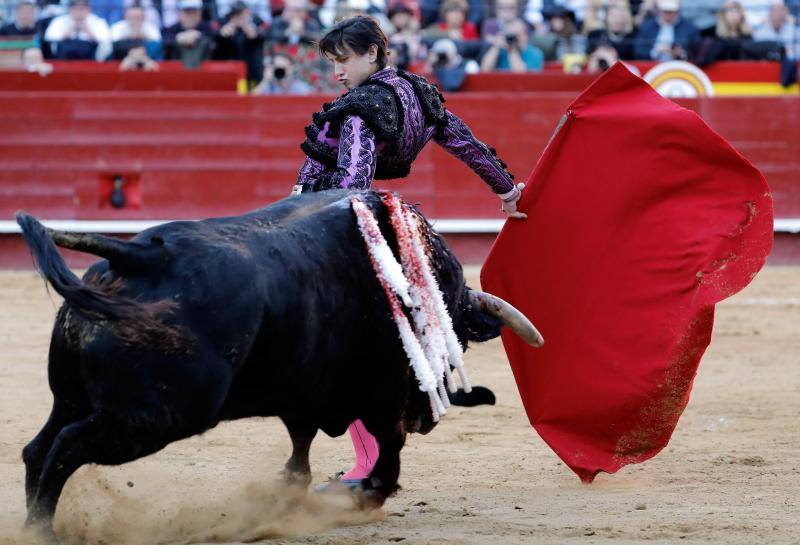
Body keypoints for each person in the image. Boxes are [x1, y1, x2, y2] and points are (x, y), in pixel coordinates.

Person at [291, 15, 526, 489]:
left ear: (373, 53)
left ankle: (365, 465)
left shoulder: (357, 109)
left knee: (332, 350)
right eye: (332, 62)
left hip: (320, 227)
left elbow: (352, 185)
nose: (337, 72)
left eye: (345, 60)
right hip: (363, 224)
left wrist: (310, 242)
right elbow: (468, 146)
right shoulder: (421, 94)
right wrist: (507, 192)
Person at [43, 0, 112, 60]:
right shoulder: (60, 21)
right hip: (65, 52)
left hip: (89, 52)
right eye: (75, 9)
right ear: (70, 9)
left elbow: (106, 40)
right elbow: (48, 37)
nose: (79, 12)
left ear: (89, 9)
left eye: (82, 9)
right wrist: (65, 34)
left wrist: (90, 33)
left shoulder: (97, 21)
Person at [633, 0, 700, 61]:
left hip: (680, 68)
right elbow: (638, 51)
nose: (668, 15)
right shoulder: (648, 26)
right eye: (665, 11)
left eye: (671, 11)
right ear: (660, 11)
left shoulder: (689, 27)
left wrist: (681, 54)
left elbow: (696, 51)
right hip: (652, 67)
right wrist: (655, 52)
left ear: (677, 11)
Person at [696, 0, 753, 65]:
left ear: (742, 16)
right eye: (730, 12)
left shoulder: (747, 35)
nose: (733, 16)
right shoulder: (714, 34)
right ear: (723, 15)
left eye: (736, 12)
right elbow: (705, 59)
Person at [162, 0, 215, 67]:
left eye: (194, 12)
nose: (190, 16)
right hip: (175, 72)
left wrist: (197, 35)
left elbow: (215, 39)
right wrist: (178, 37)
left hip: (205, 73)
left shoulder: (207, 28)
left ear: (200, 13)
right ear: (179, 13)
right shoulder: (170, 30)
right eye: (187, 12)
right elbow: (164, 40)